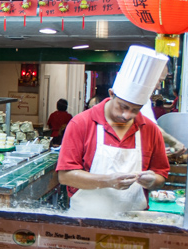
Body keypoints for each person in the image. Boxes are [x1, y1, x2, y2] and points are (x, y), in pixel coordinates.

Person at [57, 46, 170, 219]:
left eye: (135, 110)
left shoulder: (150, 130)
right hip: (85, 221)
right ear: (111, 94)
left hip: (133, 221)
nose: (127, 115)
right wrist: (108, 181)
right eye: (123, 107)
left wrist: (153, 181)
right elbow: (65, 176)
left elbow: (160, 175)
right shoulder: (81, 123)